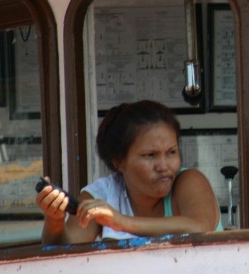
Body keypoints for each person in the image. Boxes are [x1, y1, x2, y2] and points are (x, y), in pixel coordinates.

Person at [36, 100, 223, 244]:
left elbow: (199, 226)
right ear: (119, 162)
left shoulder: (189, 180)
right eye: (150, 155)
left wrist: (121, 222)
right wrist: (55, 220)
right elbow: (64, 249)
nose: (164, 166)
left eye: (171, 152)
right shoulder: (104, 194)